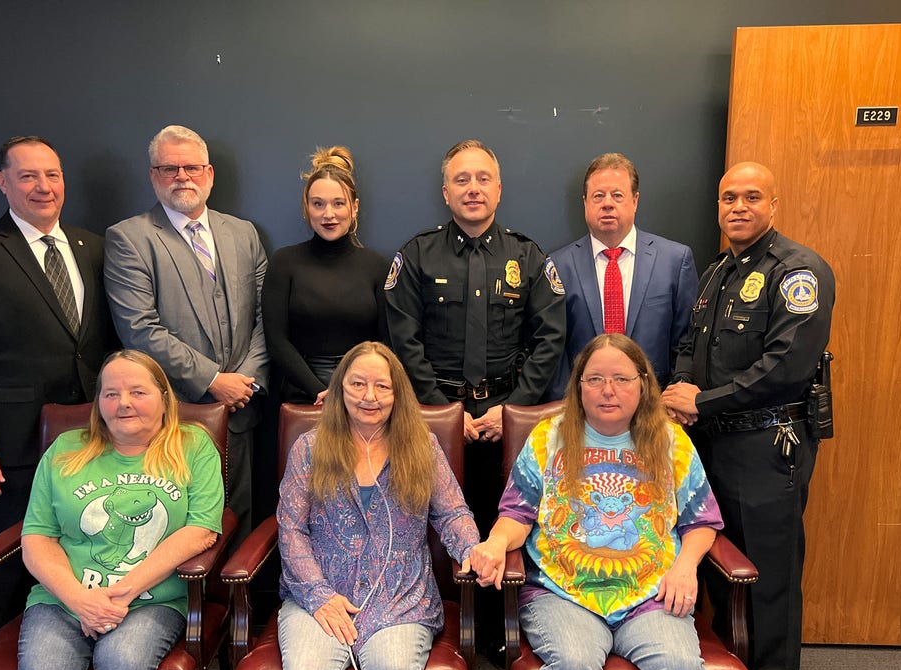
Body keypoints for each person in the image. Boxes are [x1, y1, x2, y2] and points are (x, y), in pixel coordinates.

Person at [662, 161, 835, 670]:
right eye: (729, 198)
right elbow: (692, 344)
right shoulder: (719, 272)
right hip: (711, 446)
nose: (738, 207)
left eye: (752, 197)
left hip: (767, 447)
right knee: (722, 573)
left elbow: (785, 367)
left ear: (774, 205)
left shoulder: (798, 272)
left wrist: (702, 401)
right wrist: (682, 390)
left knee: (768, 581)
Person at [0, 135, 119, 620]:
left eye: (52, 175)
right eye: (28, 176)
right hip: (17, 439)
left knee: (92, 540)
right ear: (2, 182)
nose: (44, 187)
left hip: (95, 428)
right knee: (20, 550)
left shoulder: (95, 248)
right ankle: (10, 646)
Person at [469, 333, 723, 670]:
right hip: (561, 593)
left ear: (643, 384)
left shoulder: (671, 440)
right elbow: (518, 512)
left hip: (651, 596)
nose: (608, 390)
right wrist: (496, 543)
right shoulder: (548, 437)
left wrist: (685, 566)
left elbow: (700, 520)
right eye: (596, 379)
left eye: (621, 379)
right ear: (579, 386)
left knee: (679, 665)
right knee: (575, 663)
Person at [384, 138, 565, 519]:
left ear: (498, 190)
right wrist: (442, 411)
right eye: (462, 179)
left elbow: (550, 337)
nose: (473, 188)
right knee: (431, 522)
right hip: (431, 416)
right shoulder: (418, 254)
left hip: (508, 419)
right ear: (446, 193)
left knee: (505, 524)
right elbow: (403, 339)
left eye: (483, 179)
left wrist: (513, 409)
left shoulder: (527, 255)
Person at [276, 341, 480, 670]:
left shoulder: (423, 446)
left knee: (393, 667)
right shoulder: (308, 448)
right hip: (320, 596)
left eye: (382, 386)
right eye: (358, 383)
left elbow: (453, 513)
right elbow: (291, 530)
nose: (369, 396)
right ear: (339, 388)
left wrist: (471, 549)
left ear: (397, 393)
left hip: (401, 599)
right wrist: (318, 594)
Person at [17, 349, 223, 670]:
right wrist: (80, 601)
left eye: (138, 392)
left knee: (122, 661)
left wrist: (118, 596)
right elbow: (38, 538)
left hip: (154, 600)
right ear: (99, 402)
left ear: (165, 398)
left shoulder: (193, 446)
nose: (123, 402)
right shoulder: (65, 449)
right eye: (111, 394)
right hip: (63, 599)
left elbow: (201, 531)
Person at [105, 124, 268, 531]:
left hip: (241, 412)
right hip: (174, 415)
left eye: (192, 168)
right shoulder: (129, 238)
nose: (182, 177)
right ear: (153, 176)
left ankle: (234, 599)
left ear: (209, 174)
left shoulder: (244, 234)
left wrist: (243, 382)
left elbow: (267, 316)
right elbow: (140, 329)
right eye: (169, 168)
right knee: (178, 525)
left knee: (239, 521)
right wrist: (213, 380)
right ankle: (183, 600)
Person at [548, 152, 697, 398]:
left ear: (635, 201)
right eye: (598, 196)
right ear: (585, 202)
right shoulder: (558, 266)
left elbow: (686, 343)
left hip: (655, 408)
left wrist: (671, 399)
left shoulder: (675, 260)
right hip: (583, 410)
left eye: (617, 195)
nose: (607, 203)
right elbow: (555, 350)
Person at [262, 146, 390, 404]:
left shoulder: (377, 266)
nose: (328, 214)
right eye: (318, 204)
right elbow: (276, 340)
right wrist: (320, 391)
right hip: (300, 393)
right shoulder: (284, 262)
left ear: (354, 208)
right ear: (307, 208)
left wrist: (353, 388)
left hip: (362, 392)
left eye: (338, 203)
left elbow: (387, 341)